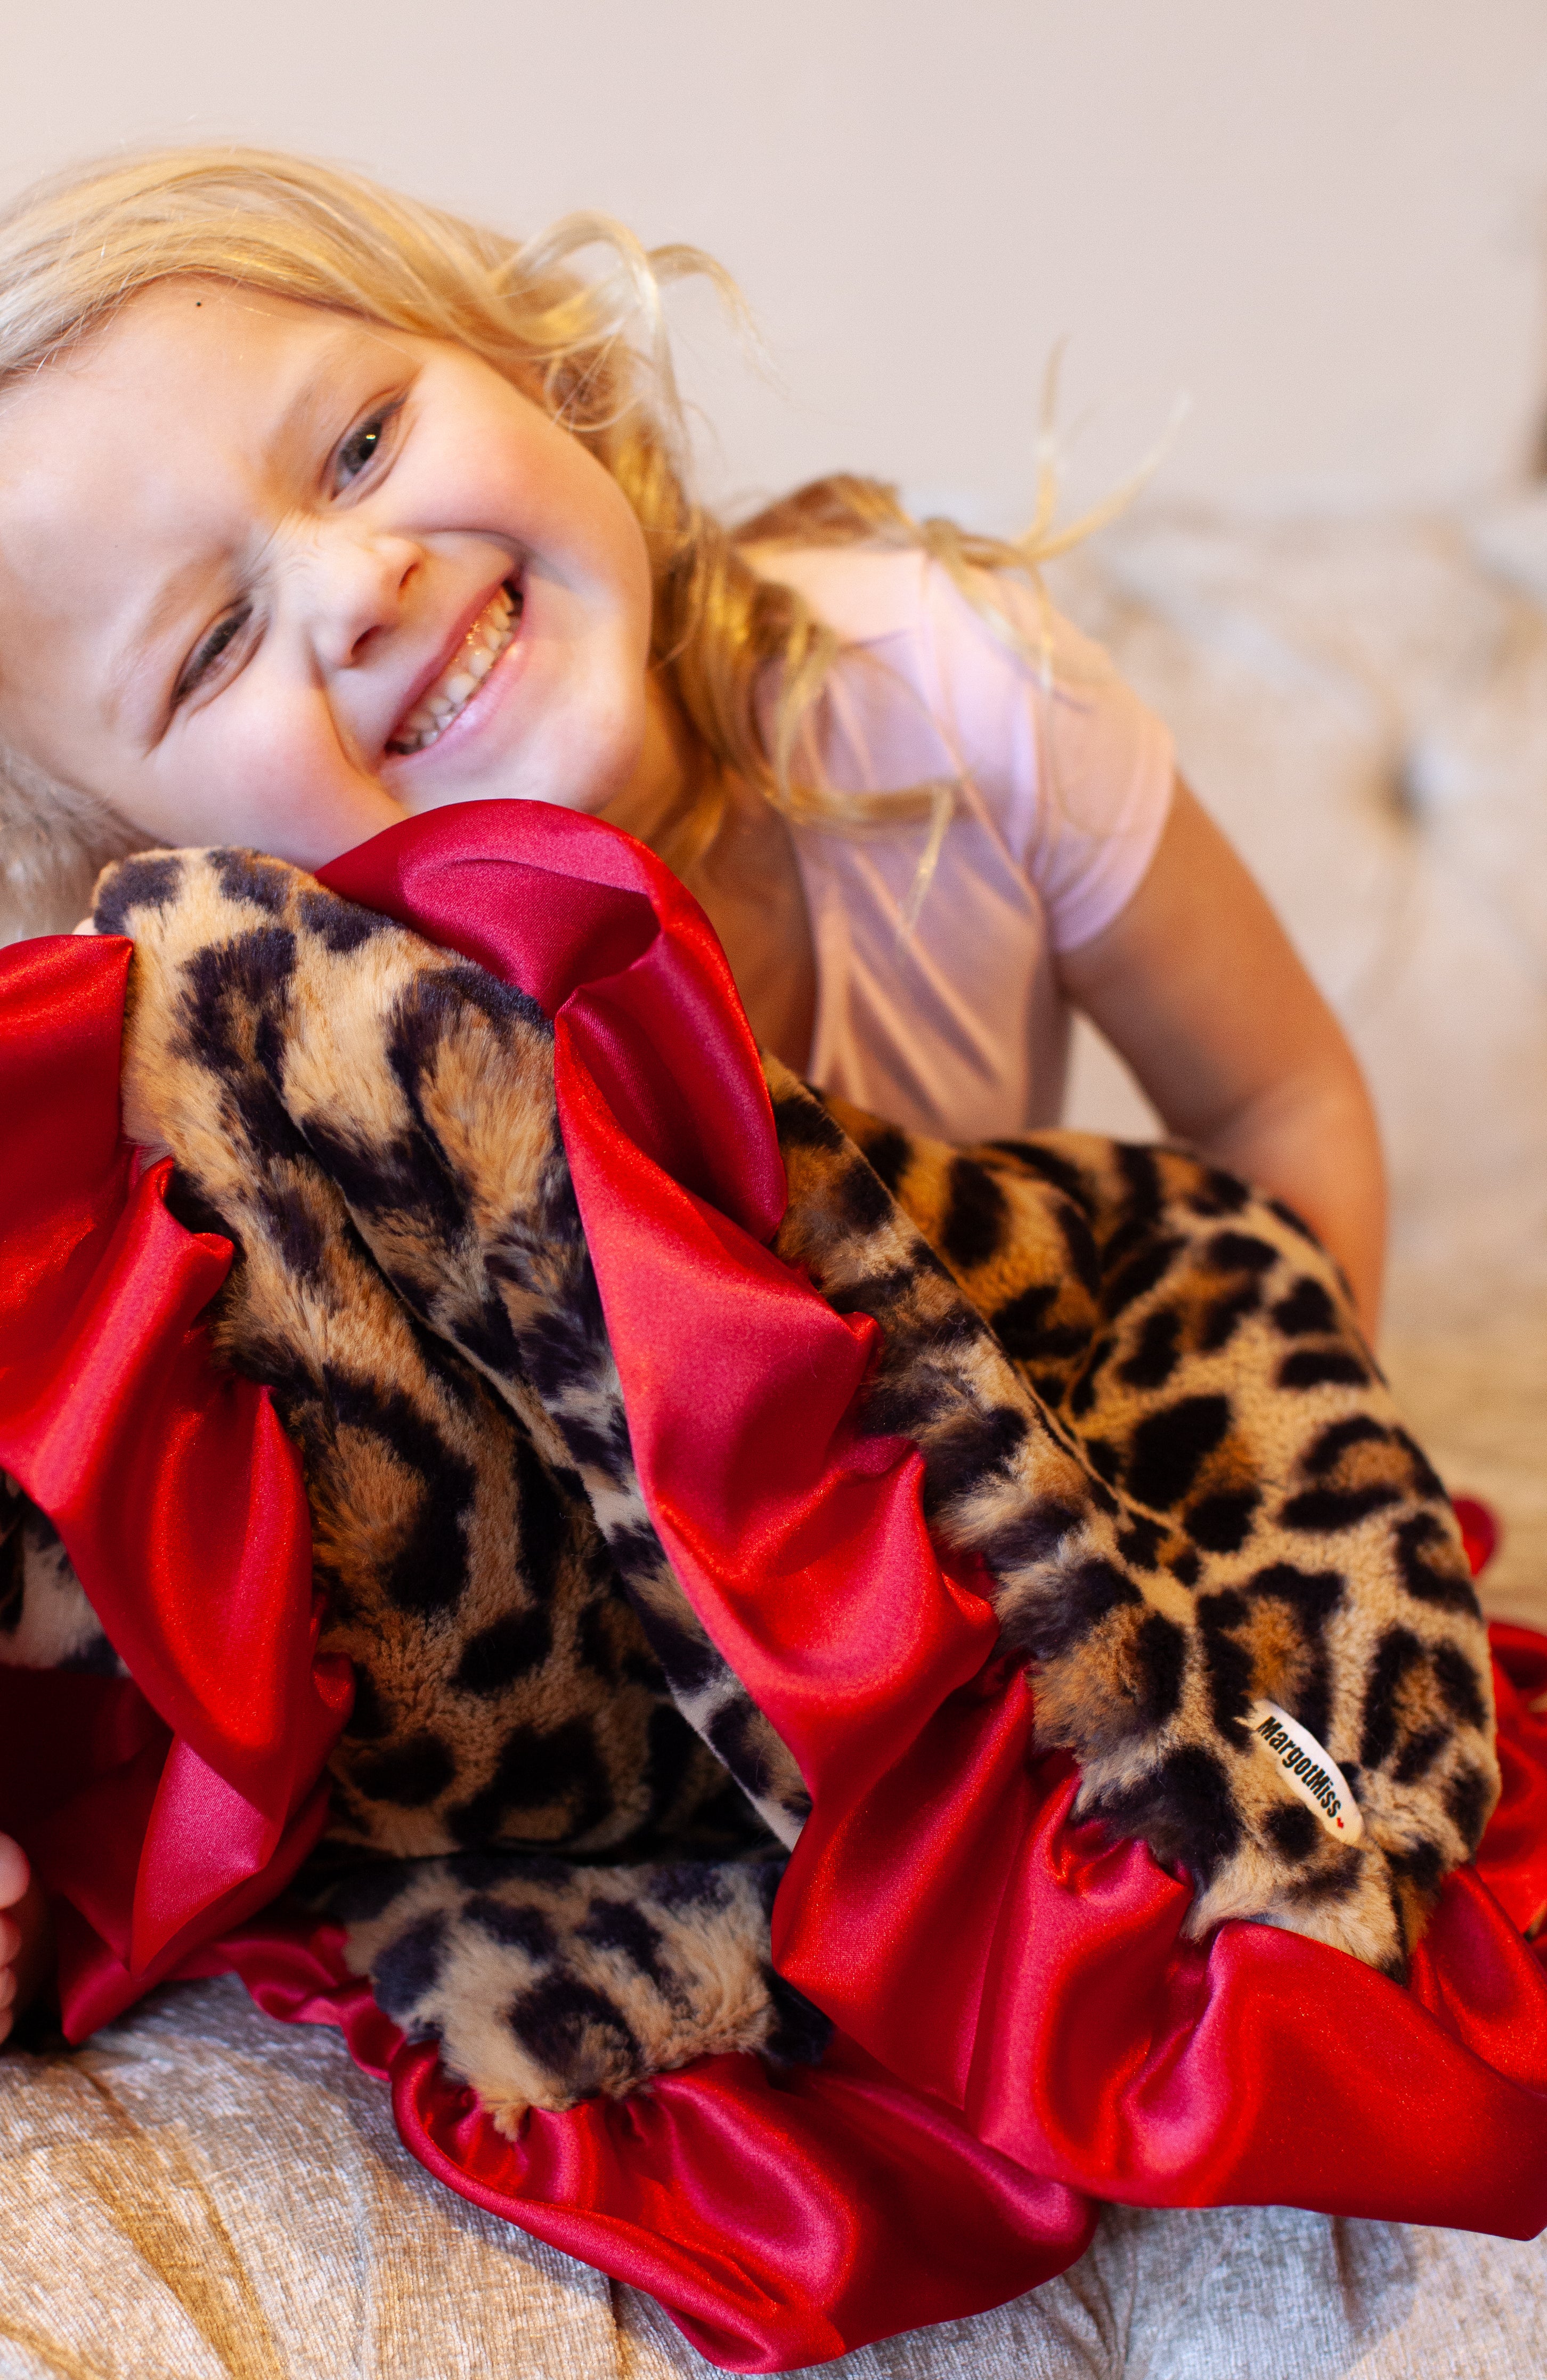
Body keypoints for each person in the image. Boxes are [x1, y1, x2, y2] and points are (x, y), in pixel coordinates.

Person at [0, 146, 1385, 2043]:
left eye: (363, 442)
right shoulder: (265, 1104)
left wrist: (1279, 1521)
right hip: (654, 1745)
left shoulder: (944, 692)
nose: (359, 577)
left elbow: (1281, 1110)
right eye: (215, 642)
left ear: (525, 360)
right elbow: (99, 1507)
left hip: (1063, 1544)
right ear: (134, 862)